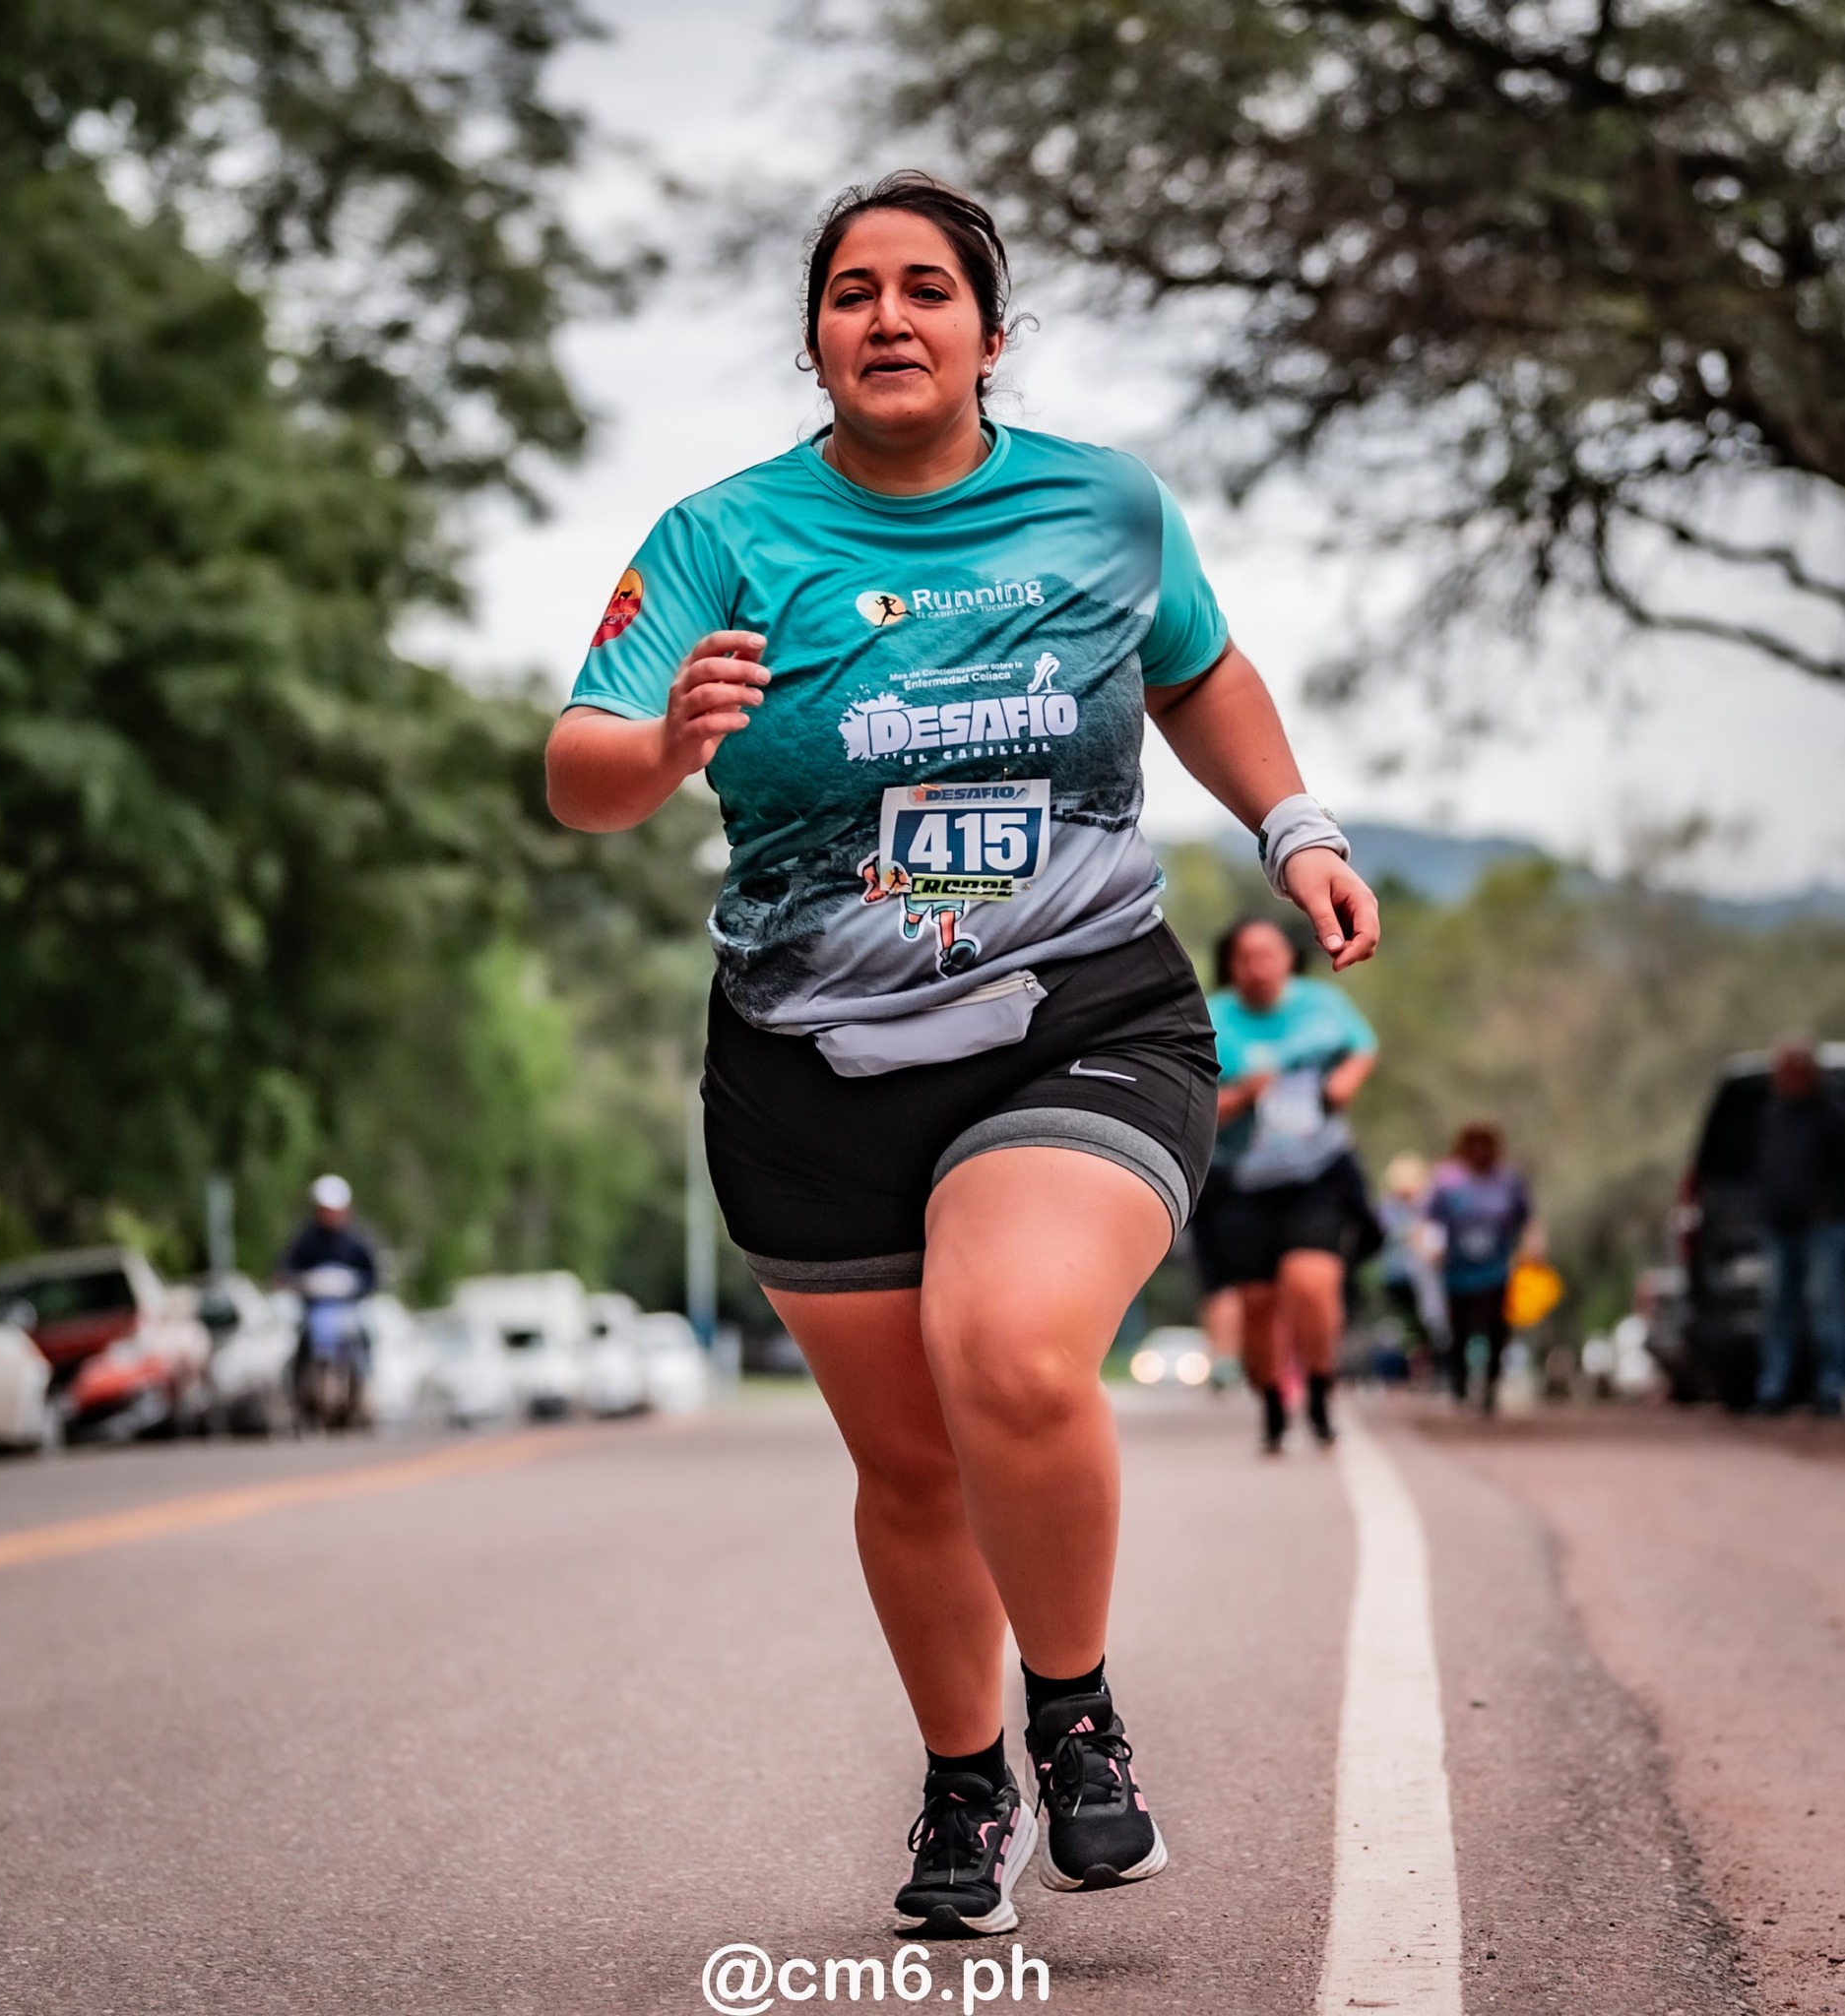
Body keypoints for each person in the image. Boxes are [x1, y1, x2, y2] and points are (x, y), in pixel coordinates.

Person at [543, 171, 1379, 1939]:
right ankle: (960, 1773)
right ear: (815, 337)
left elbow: (1196, 673)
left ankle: (1071, 1713)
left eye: (927, 288)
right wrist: (662, 738)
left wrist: (1291, 823)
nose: (889, 316)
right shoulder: (722, 533)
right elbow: (579, 763)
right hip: (807, 1050)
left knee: (1003, 1349)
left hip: (1074, 1007)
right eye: (852, 291)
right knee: (911, 1464)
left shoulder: (1101, 506)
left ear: (989, 335)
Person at [1197, 916, 1378, 1454]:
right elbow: (1195, 1105)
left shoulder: (1322, 1005)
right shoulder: (1210, 1019)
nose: (1259, 967)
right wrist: (1244, 1097)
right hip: (1240, 1179)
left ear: (1288, 958)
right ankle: (1273, 1403)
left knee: (1312, 1284)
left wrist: (1340, 1088)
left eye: (1269, 954)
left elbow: (1362, 1047)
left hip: (1313, 1171)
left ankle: (1321, 1388)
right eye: (1246, 957)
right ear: (1230, 965)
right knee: (1257, 1303)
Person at [1752, 1040, 1845, 1417]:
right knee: (1777, 1310)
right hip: (1779, 1226)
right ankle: (1774, 1387)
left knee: (1826, 1309)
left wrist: (1829, 1208)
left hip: (1822, 1229)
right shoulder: (1773, 1117)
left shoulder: (1831, 1117)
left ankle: (1831, 1386)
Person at [1426, 1124, 1531, 1411]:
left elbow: (1527, 1217)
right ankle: (1458, 1381)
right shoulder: (1447, 1181)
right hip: (1457, 1269)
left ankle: (1491, 1383)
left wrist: (1532, 1246)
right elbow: (1431, 1219)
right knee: (1459, 1327)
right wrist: (1431, 1247)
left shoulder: (1508, 1180)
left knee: (1498, 1327)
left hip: (1497, 1268)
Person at [1375, 1152, 1444, 1379]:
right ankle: (1412, 1363)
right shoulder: (1387, 1209)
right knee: (1409, 1324)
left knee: (1428, 1320)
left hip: (1423, 1276)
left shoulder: (1426, 1206)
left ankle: (1428, 1363)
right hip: (1397, 1277)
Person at [277, 1174, 380, 1295]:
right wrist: (307, 1282)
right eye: (324, 1210)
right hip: (309, 1300)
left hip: (350, 1303)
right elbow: (285, 1270)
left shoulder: (358, 1239)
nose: (328, 1215)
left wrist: (351, 1284)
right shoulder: (306, 1237)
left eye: (332, 1211)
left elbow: (373, 1278)